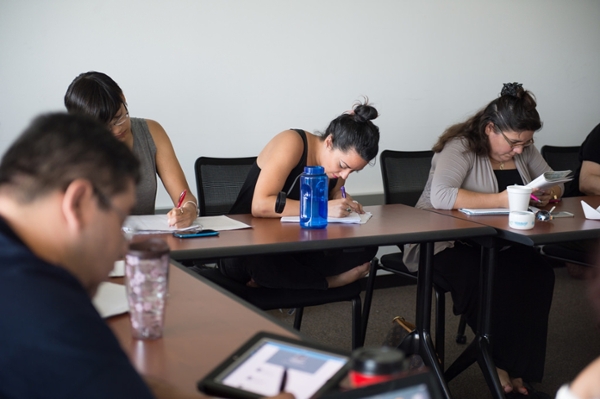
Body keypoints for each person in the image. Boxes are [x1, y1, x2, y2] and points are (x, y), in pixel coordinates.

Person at [0, 113, 295, 399]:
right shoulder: (46, 310)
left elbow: (117, 383)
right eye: (118, 223)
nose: (120, 248)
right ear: (77, 204)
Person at [404, 83, 561, 398]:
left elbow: (555, 180)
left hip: (496, 241)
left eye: (526, 143)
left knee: (538, 273)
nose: (520, 150)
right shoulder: (460, 147)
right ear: (490, 128)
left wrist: (548, 194)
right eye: (515, 142)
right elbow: (442, 195)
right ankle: (497, 362)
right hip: (446, 242)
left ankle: (519, 369)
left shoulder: (523, 147)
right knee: (485, 278)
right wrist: (504, 200)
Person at [221, 100, 380, 290]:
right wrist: (322, 208)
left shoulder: (335, 171)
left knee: (368, 246)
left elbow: (336, 191)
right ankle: (331, 282)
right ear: (329, 142)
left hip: (293, 244)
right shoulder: (292, 142)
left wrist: (345, 202)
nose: (345, 175)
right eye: (344, 166)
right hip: (246, 243)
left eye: (353, 171)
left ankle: (282, 281)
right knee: (260, 260)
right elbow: (260, 205)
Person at [64, 71, 197, 228]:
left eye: (119, 117)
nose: (116, 130)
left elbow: (184, 196)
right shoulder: (73, 149)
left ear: (123, 97)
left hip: (144, 244)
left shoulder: (151, 132)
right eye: (104, 127)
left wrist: (189, 209)